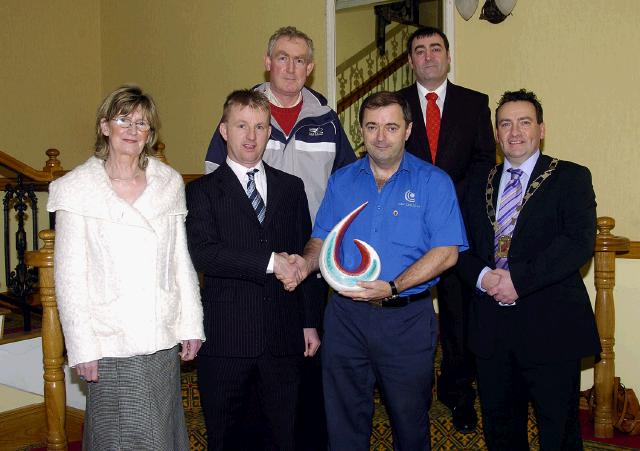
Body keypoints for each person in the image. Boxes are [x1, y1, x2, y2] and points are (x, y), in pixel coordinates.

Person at [286, 91, 468, 450]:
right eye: (372, 127)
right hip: (344, 319)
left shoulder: (434, 182)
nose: (380, 136)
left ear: (408, 130)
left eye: (390, 126)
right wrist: (302, 265)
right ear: (362, 132)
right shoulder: (342, 181)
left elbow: (447, 253)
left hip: (406, 320)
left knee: (409, 423)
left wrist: (393, 286)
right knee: (343, 425)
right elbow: (320, 239)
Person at [205, 26, 356, 449]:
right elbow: (217, 201)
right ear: (268, 62)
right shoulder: (242, 112)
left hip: (310, 265)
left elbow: (346, 185)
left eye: (300, 60)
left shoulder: (327, 120)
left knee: (298, 389)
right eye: (283, 58)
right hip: (245, 280)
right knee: (244, 399)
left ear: (310, 68)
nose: (291, 68)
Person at [48, 85, 205, 450]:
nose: (133, 129)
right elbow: (69, 278)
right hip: (109, 341)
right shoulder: (78, 189)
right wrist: (82, 346)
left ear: (150, 133)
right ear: (105, 127)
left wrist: (191, 324)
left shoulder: (168, 184)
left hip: (160, 336)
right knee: (120, 437)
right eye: (124, 119)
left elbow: (180, 261)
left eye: (142, 123)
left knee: (162, 433)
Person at [456, 89, 601, 450]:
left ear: (541, 129)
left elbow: (577, 243)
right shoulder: (476, 185)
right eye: (505, 123)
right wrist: (484, 277)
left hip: (551, 329)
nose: (515, 131)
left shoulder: (570, 177)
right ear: (496, 133)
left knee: (559, 433)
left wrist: (518, 280)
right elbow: (456, 246)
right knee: (501, 433)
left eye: (524, 122)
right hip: (492, 331)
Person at [186, 89, 321, 451]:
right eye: (241, 125)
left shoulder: (291, 188)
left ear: (269, 132)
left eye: (260, 127)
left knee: (283, 437)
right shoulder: (200, 193)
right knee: (228, 439)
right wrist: (270, 263)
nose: (250, 135)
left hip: (283, 337)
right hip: (227, 340)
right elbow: (204, 254)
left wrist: (309, 321)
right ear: (224, 130)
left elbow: (304, 252)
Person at [397, 25, 496, 433]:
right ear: (411, 61)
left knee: (458, 318)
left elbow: (484, 162)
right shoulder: (394, 104)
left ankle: (458, 394)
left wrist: (443, 196)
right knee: (405, 314)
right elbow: (384, 157)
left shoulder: (475, 104)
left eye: (436, 48)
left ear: (448, 56)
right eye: (420, 50)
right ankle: (405, 393)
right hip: (404, 227)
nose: (429, 56)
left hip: (456, 227)